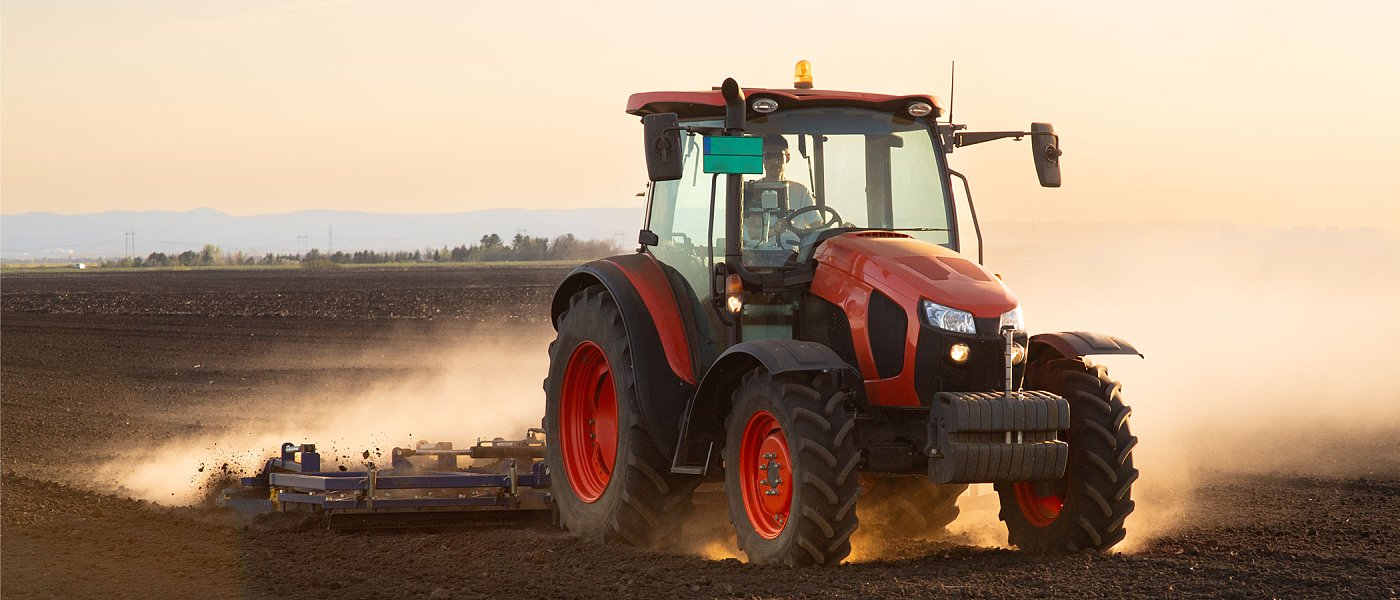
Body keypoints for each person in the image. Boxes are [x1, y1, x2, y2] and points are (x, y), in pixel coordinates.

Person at [743, 135, 817, 247]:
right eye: (768, 156)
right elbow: (751, 232)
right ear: (762, 159)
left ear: (787, 157)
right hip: (758, 255)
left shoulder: (801, 191)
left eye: (778, 155)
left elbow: (816, 225)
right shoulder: (752, 190)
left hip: (794, 257)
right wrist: (775, 229)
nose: (774, 161)